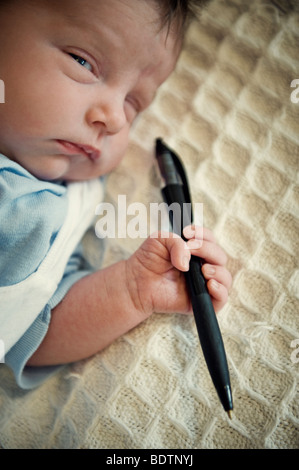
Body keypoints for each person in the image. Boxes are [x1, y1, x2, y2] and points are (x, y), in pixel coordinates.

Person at [0, 0, 232, 389]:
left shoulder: (70, 204)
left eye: (133, 103)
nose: (114, 118)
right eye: (83, 62)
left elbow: (28, 330)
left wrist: (131, 290)